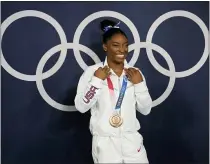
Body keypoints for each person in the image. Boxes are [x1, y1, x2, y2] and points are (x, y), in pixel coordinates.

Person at [74, 19, 152, 163]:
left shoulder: (135, 73)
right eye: (116, 45)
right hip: (105, 145)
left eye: (125, 46)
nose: (122, 50)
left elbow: (146, 109)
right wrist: (96, 81)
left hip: (132, 142)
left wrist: (140, 85)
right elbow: (81, 106)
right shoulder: (92, 73)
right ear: (105, 47)